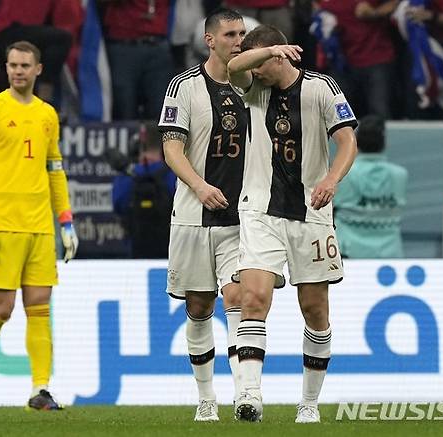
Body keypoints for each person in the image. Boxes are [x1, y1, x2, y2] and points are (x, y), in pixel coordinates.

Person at [227, 25, 358, 423]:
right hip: (260, 210)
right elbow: (235, 66)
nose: (256, 72)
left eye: (263, 62)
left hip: (311, 214)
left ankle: (309, 403)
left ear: (280, 59)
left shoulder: (322, 88)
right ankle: (249, 395)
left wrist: (331, 180)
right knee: (252, 297)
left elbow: (348, 141)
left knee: (314, 308)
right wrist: (268, 51)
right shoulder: (254, 89)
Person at [158, 9, 283, 422]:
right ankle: (206, 397)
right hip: (194, 214)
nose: (238, 41)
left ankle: (246, 394)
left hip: (242, 217)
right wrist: (200, 185)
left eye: (243, 34)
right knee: (198, 307)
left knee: (238, 297)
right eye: (230, 34)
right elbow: (172, 150)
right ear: (210, 40)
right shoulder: (184, 86)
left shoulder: (253, 85)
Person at [0, 41, 79, 411]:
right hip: (1, 225)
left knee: (40, 305)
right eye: (12, 65)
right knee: (0, 308)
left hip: (40, 226)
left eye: (25, 65)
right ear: (6, 68)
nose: (18, 71)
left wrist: (65, 220)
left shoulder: (47, 115)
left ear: (38, 69)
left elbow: (55, 169)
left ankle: (40, 389)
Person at [334, 115, 408, 258]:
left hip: (348, 253)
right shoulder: (400, 175)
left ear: (356, 142)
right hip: (390, 254)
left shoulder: (342, 174)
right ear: (384, 143)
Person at [111, 121, 176, 258]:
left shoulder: (126, 177)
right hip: (169, 249)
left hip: (135, 249)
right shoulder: (174, 174)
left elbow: (118, 205)